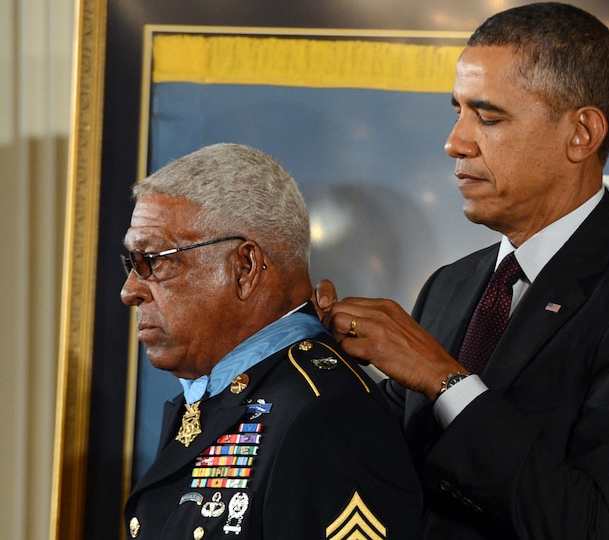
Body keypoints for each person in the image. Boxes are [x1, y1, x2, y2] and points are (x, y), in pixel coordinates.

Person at [319, 2, 609, 539]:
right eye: (457, 111)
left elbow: (601, 525)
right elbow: (383, 470)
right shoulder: (451, 285)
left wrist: (447, 381)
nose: (455, 142)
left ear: (582, 133)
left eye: (488, 117)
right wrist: (312, 358)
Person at [120, 143, 422, 540]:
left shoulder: (327, 416)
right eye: (132, 263)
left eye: (153, 261)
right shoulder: (220, 394)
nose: (130, 291)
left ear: (244, 268)